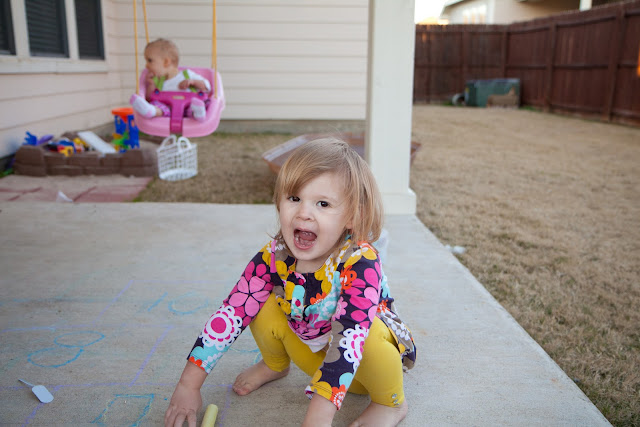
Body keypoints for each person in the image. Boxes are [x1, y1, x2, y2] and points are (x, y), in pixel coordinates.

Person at [164, 137, 416, 427]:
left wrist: (317, 418)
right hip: (315, 353)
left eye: (323, 203)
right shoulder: (275, 255)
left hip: (367, 366)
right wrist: (188, 385)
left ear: (351, 216)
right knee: (255, 301)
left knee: (368, 333)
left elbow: (350, 338)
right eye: (294, 198)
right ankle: (275, 365)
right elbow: (232, 312)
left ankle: (390, 403)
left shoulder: (361, 261)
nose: (304, 213)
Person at [129, 38, 210, 121]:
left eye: (150, 60)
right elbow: (150, 99)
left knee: (197, 104)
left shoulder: (187, 75)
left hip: (188, 107)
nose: (146, 65)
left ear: (166, 62)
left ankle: (198, 113)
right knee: (158, 106)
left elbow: (207, 86)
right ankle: (151, 111)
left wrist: (192, 82)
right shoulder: (158, 80)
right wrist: (151, 84)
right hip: (168, 111)